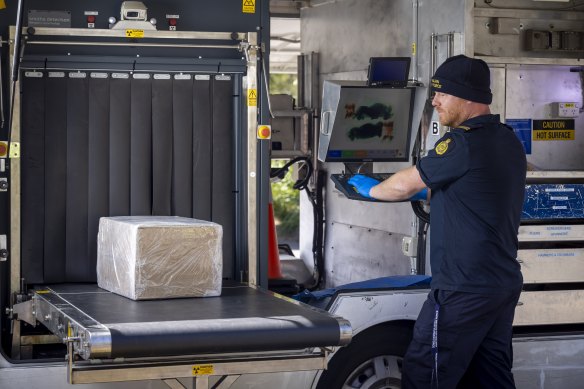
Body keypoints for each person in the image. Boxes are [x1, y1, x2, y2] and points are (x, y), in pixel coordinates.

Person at [348, 54, 526, 388]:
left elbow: (403, 185)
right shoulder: (506, 140)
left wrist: (372, 191)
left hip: (463, 287)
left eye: (443, 93)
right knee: (490, 377)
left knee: (424, 372)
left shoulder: (462, 143)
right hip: (498, 283)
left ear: (468, 98)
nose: (435, 100)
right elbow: (471, 192)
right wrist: (423, 194)